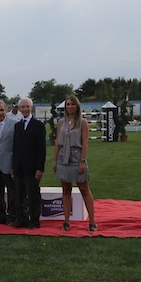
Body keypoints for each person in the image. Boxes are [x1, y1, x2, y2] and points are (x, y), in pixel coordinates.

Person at [54, 95, 97, 232]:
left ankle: (92, 222)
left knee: (84, 189)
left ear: (77, 106)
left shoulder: (83, 122)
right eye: (68, 104)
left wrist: (82, 161)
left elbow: (85, 143)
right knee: (66, 190)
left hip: (77, 158)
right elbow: (57, 143)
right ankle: (66, 222)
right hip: (63, 158)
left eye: (72, 104)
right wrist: (55, 160)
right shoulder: (61, 122)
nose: (70, 107)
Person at [11, 98, 46, 229]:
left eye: (27, 107)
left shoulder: (38, 125)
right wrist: (13, 167)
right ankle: (21, 219)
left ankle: (34, 221)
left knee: (33, 195)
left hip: (32, 167)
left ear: (31, 108)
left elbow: (42, 149)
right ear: (19, 109)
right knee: (19, 195)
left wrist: (39, 168)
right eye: (22, 107)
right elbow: (15, 148)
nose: (25, 109)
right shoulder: (17, 126)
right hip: (19, 167)